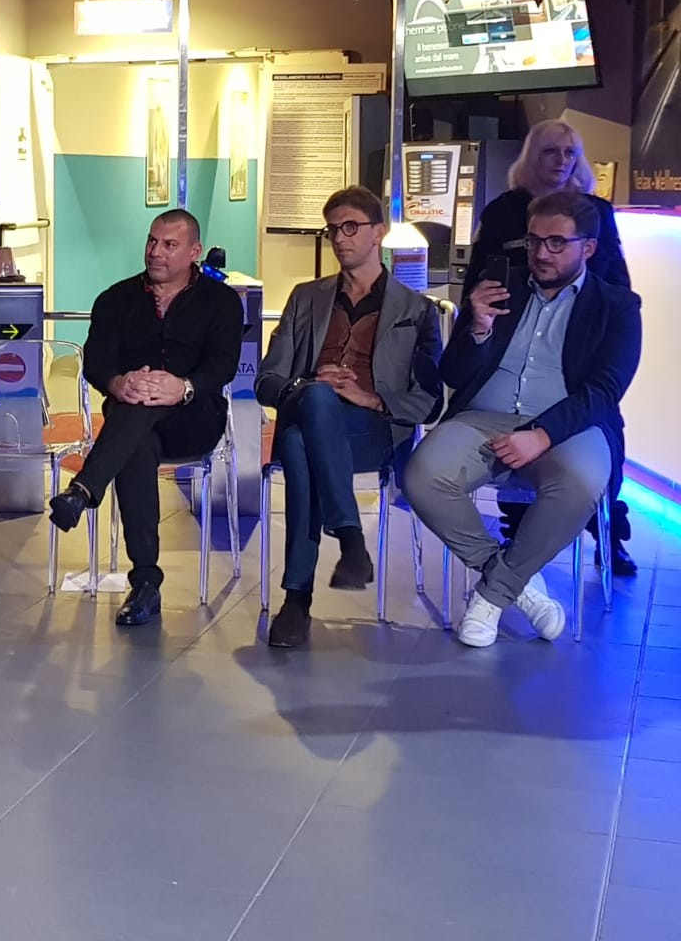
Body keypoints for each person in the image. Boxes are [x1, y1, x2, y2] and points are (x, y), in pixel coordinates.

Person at [404, 191, 641, 648]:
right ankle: (522, 587)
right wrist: (477, 327)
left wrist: (542, 434)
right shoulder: (501, 290)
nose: (541, 253)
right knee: (422, 475)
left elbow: (605, 390)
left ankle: (492, 597)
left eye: (556, 243)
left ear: (587, 248)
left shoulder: (617, 306)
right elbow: (452, 374)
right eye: (533, 241)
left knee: (580, 483)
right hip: (482, 416)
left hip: (569, 425)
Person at [255, 187, 443, 648]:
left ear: (379, 232)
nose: (340, 238)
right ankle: (350, 542)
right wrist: (307, 384)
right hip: (309, 407)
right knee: (315, 404)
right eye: (333, 229)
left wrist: (370, 398)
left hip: (371, 431)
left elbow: (430, 399)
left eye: (351, 226)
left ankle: (297, 599)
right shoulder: (305, 298)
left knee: (299, 442)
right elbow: (267, 379)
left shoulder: (416, 310)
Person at [47, 210, 244, 626]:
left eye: (169, 245)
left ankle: (83, 490)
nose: (155, 252)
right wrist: (118, 384)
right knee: (138, 427)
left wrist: (183, 386)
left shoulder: (221, 301)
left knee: (149, 399)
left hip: (195, 417)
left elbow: (224, 364)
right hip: (132, 421)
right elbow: (97, 363)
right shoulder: (115, 299)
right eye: (152, 241)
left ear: (193, 252)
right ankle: (146, 584)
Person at [464, 119, 637, 575]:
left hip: (575, 354)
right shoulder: (504, 211)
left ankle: (605, 532)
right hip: (511, 352)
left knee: (600, 433)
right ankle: (519, 546)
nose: (561, 162)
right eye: (550, 152)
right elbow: (478, 277)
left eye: (569, 153)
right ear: (530, 157)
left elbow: (617, 282)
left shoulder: (596, 211)